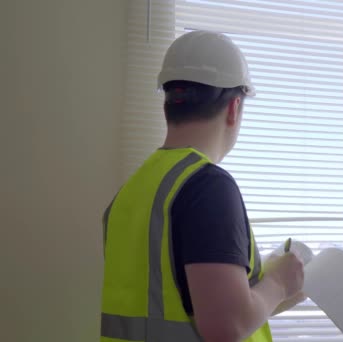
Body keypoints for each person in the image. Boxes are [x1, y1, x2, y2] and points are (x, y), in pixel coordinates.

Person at [100, 30, 305, 342]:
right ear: (234, 108)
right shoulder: (207, 187)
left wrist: (267, 293)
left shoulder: (132, 193)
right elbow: (225, 327)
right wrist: (278, 283)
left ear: (168, 104)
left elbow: (181, 307)